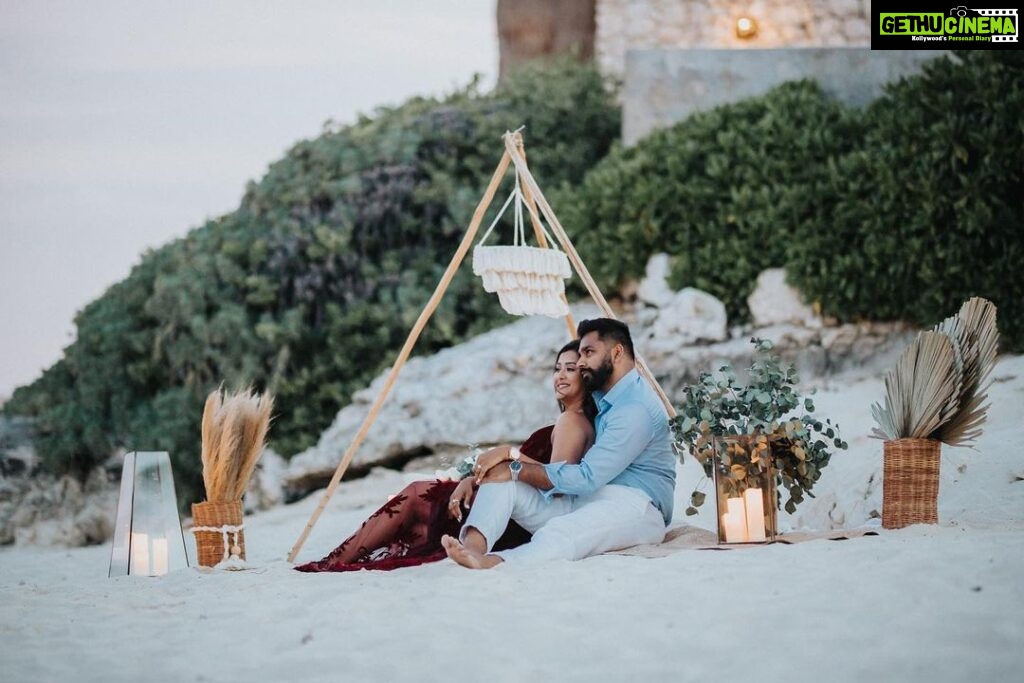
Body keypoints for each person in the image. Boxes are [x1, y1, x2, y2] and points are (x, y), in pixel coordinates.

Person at [295, 340, 597, 573]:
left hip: (522, 510)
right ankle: (338, 560)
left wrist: (508, 453)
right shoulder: (568, 420)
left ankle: (334, 562)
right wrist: (471, 479)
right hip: (507, 497)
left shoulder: (572, 421)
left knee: (416, 495)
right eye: (557, 368)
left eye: (570, 369)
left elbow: (555, 479)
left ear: (586, 377)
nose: (560, 375)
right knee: (423, 496)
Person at [442, 318, 676, 568]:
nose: (582, 361)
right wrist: (503, 470)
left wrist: (515, 465)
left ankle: (496, 562)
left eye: (588, 352)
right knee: (503, 481)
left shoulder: (634, 408)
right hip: (590, 497)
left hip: (636, 506)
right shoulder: (605, 396)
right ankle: (472, 549)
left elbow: (587, 477)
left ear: (617, 352)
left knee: (566, 530)